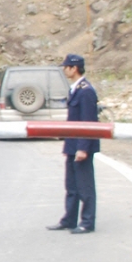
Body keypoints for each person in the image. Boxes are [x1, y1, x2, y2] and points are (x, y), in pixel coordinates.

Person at [47, 53, 99, 234]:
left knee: (85, 186)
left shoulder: (86, 91)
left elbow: (88, 123)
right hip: (72, 144)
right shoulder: (75, 89)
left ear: (74, 68)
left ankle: (87, 222)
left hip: (81, 145)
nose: (64, 69)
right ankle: (69, 219)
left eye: (66, 67)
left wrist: (83, 148)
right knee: (71, 185)